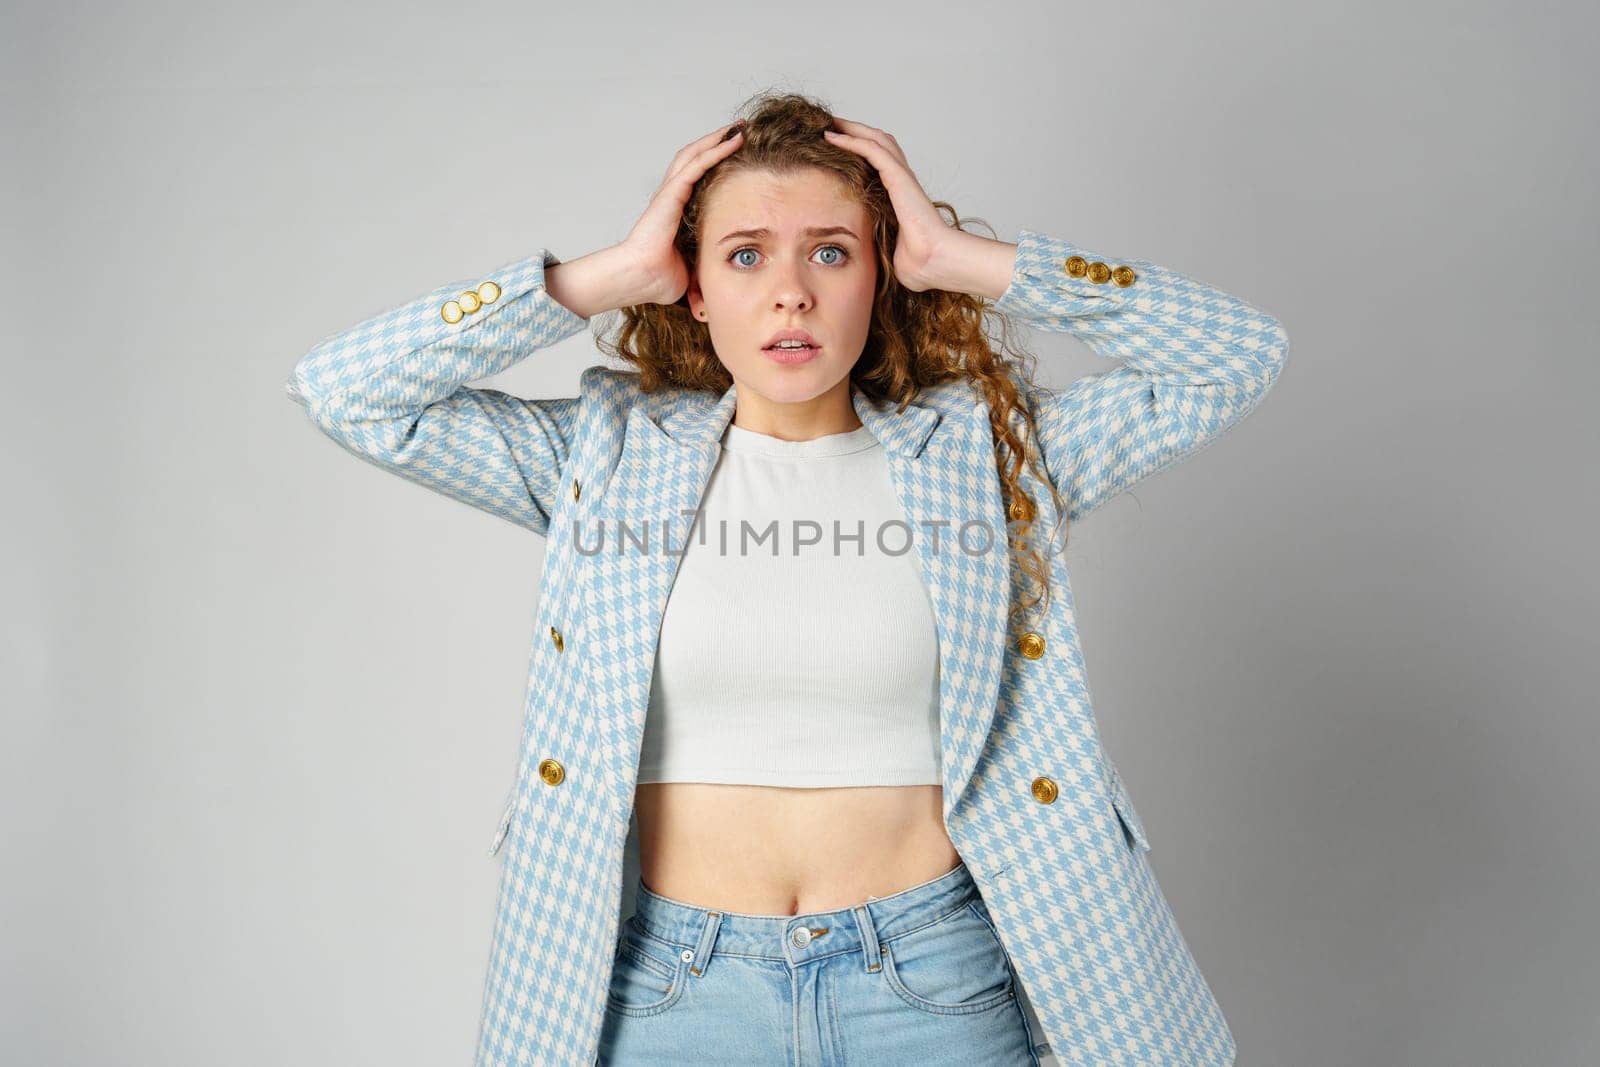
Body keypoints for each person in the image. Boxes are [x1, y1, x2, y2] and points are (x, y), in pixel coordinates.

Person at [285, 90, 1288, 1066]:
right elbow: (348, 393)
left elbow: (1236, 357)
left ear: (880, 275)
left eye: (832, 251)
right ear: (692, 284)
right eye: (745, 254)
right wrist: (599, 274)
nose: (790, 291)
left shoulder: (991, 458)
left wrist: (961, 258)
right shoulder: (601, 458)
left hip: (932, 986)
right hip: (674, 992)